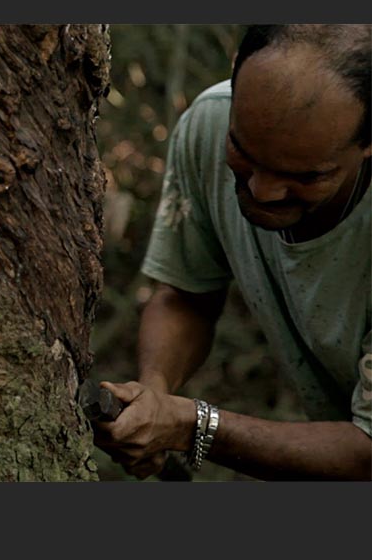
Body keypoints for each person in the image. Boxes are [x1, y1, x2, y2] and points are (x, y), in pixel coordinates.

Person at [91, 25, 372, 481]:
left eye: (304, 176)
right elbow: (186, 295)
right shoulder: (209, 122)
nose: (261, 189)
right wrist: (154, 395)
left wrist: (191, 425)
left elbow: (365, 454)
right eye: (242, 152)